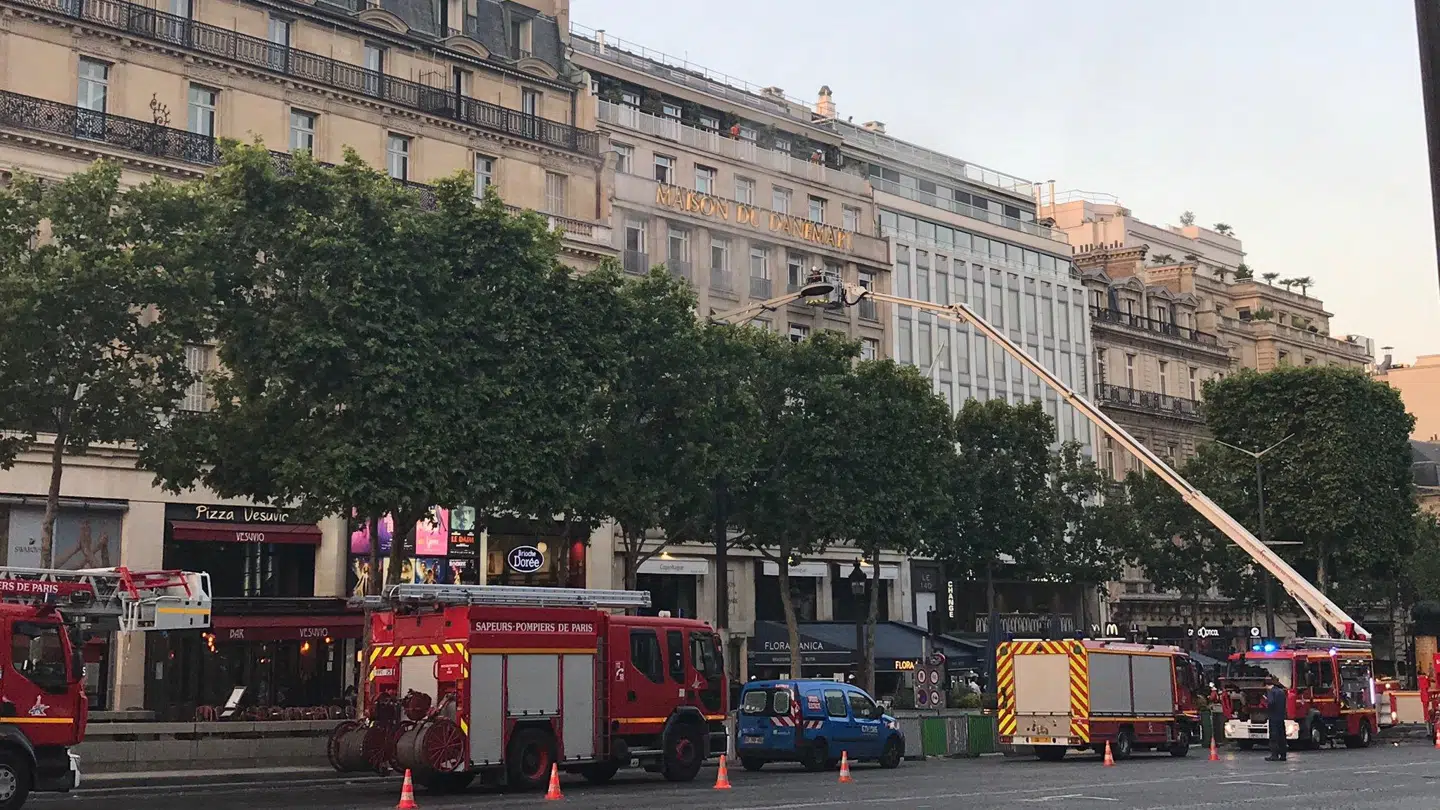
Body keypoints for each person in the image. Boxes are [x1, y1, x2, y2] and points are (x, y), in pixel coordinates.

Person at [1264, 676, 1289, 761]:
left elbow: (1271, 702)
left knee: (1274, 736)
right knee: (1282, 736)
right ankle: (1283, 755)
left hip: (1273, 717)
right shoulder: (1281, 691)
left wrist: (1266, 701)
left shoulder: (1271, 692)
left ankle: (1274, 755)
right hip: (1281, 717)